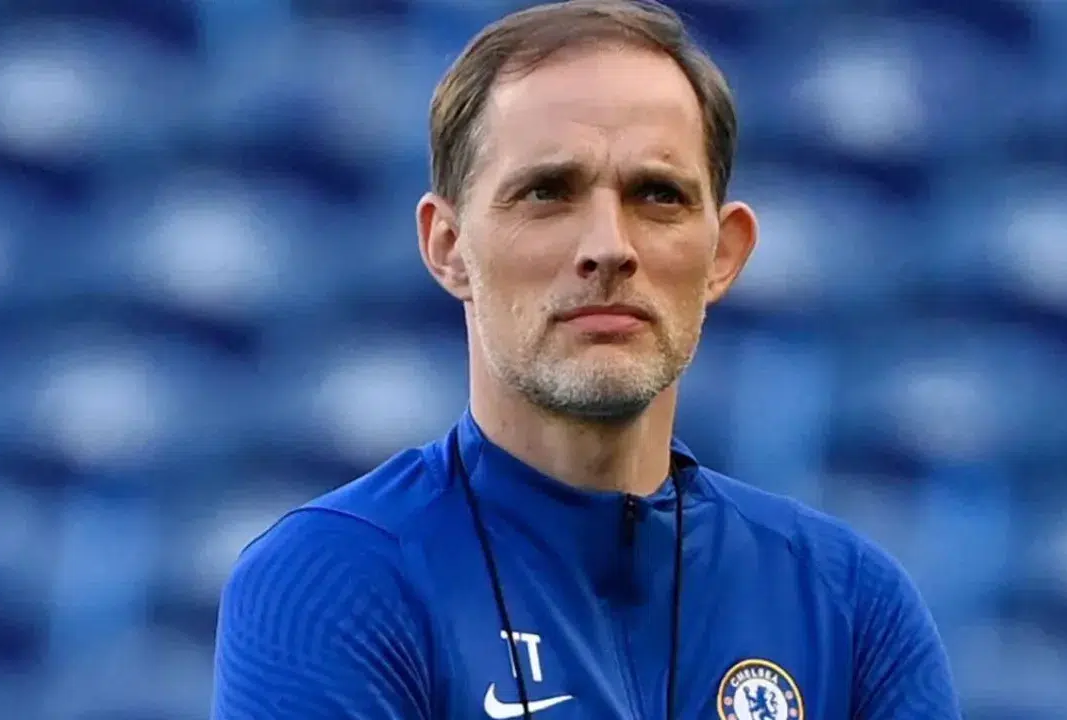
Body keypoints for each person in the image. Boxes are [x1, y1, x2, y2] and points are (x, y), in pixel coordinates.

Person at [210, 1, 962, 718]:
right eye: (547, 192)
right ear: (448, 246)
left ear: (724, 254)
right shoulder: (336, 580)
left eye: (658, 195)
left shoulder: (847, 605)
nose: (608, 246)